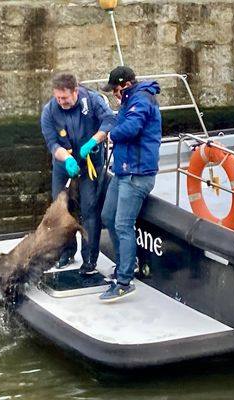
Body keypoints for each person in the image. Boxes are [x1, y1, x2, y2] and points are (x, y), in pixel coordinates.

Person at [88, 66, 162, 302]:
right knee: (108, 216)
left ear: (126, 85)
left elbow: (131, 128)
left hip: (137, 174)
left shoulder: (140, 101)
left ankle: (124, 281)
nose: (114, 95)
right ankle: (126, 263)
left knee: (123, 224)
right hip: (123, 171)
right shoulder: (129, 101)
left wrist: (112, 135)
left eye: (115, 90)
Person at [40, 72, 116, 274]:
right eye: (58, 98)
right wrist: (66, 158)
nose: (61, 101)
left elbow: (109, 120)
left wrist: (94, 140)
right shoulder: (49, 111)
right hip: (65, 165)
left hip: (90, 164)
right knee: (62, 210)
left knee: (89, 210)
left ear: (75, 91)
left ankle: (90, 258)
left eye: (64, 98)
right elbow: (52, 143)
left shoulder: (92, 101)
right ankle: (66, 251)